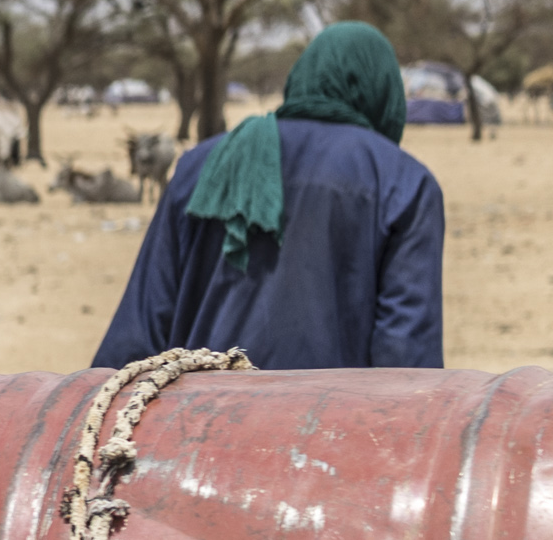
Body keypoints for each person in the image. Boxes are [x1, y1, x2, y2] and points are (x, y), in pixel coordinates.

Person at [95, 21, 444, 370]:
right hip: (330, 422)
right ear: (385, 94)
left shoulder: (199, 166)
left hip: (197, 417)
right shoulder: (404, 183)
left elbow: (137, 336)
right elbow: (406, 360)